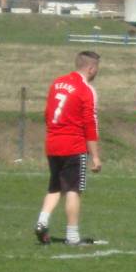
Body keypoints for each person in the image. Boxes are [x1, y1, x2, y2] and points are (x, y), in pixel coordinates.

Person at [36, 49, 101, 246]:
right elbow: (89, 123)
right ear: (91, 68)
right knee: (73, 189)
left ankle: (42, 221)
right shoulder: (86, 89)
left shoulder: (57, 83)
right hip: (73, 145)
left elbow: (47, 113)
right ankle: (72, 236)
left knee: (55, 186)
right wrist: (95, 156)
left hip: (53, 142)